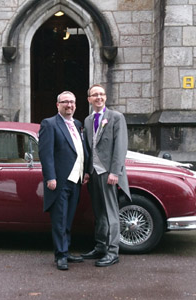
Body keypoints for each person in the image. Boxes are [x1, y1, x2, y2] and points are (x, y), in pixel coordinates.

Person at [81, 84, 131, 267]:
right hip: (94, 173)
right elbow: (88, 148)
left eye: (101, 94)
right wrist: (87, 171)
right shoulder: (87, 120)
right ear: (89, 99)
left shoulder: (116, 117)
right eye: (95, 95)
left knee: (111, 213)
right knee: (99, 212)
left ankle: (112, 251)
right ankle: (101, 246)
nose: (99, 97)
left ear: (105, 97)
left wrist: (115, 172)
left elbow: (120, 146)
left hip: (109, 173)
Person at [38, 91, 87, 271]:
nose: (69, 105)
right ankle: (60, 255)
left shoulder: (78, 124)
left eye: (72, 102)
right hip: (59, 181)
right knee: (59, 219)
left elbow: (81, 150)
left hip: (76, 179)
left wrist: (86, 172)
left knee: (68, 219)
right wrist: (50, 177)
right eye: (65, 102)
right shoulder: (49, 124)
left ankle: (66, 250)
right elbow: (46, 154)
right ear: (57, 105)